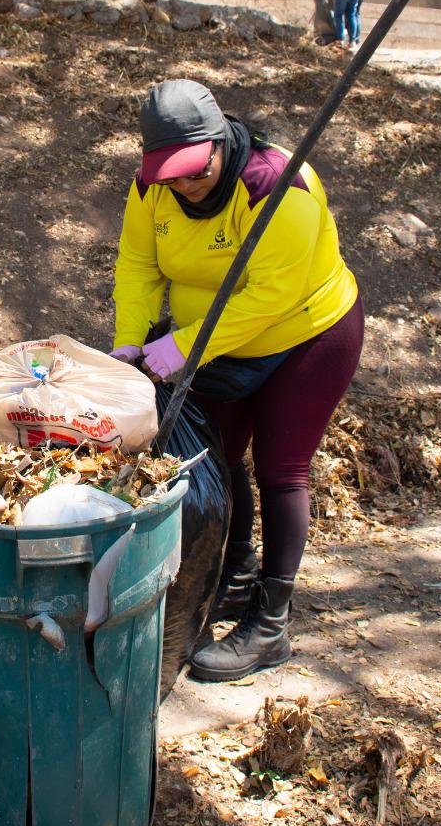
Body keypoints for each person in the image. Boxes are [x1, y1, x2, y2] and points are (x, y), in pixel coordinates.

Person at [110, 79, 363, 681]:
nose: (184, 185)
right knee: (214, 457)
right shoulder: (152, 187)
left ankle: (270, 623)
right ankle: (236, 569)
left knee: (281, 469)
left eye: (194, 172)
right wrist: (130, 338)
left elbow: (272, 295)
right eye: (171, 175)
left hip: (306, 333)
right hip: (214, 338)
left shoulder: (279, 187)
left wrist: (182, 347)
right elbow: (139, 264)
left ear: (220, 143)